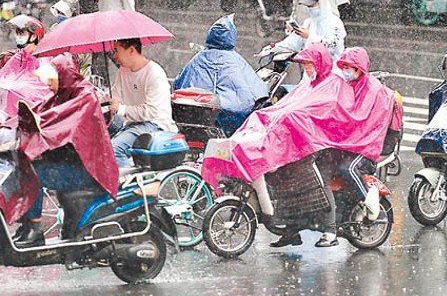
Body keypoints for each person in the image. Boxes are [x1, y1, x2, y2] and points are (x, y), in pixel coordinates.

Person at [201, 43, 394, 248]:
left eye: (310, 65)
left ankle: (330, 231)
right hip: (303, 143)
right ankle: (291, 230)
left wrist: (291, 120)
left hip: (325, 148)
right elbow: (292, 106)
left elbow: (330, 115)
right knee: (283, 179)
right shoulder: (308, 85)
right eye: (304, 66)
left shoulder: (335, 85)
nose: (307, 70)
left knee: (317, 179)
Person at [12, 54, 119, 247]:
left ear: (64, 76)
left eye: (52, 80)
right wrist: (11, 122)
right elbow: (40, 109)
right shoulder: (62, 94)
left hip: (88, 170)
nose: (48, 85)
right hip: (69, 161)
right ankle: (27, 224)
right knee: (22, 165)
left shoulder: (85, 96)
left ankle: (35, 231)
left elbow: (57, 119)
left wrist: (39, 124)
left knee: (33, 174)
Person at [335, 47, 403, 218]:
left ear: (359, 69)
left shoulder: (374, 92)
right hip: (351, 143)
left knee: (348, 168)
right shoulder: (350, 85)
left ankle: (369, 201)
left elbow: (365, 123)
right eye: (343, 67)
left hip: (368, 146)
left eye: (348, 68)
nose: (345, 71)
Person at [173, 14, 267, 135]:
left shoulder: (197, 59)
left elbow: (179, 82)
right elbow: (258, 92)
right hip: (230, 117)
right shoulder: (237, 62)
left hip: (196, 115)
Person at [109, 38, 177, 167]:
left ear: (131, 50)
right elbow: (115, 95)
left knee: (114, 150)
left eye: (116, 50)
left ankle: (128, 185)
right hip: (133, 124)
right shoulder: (124, 71)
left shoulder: (154, 73)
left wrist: (121, 109)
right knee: (102, 147)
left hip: (155, 125)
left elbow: (150, 112)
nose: (114, 55)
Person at [275, 0, 346, 66]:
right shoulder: (308, 22)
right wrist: (275, 48)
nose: (310, 8)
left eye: (313, 5)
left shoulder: (335, 22)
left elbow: (332, 46)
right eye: (308, 5)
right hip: (310, 70)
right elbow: (293, 42)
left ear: (322, 2)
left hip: (331, 71)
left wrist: (309, 37)